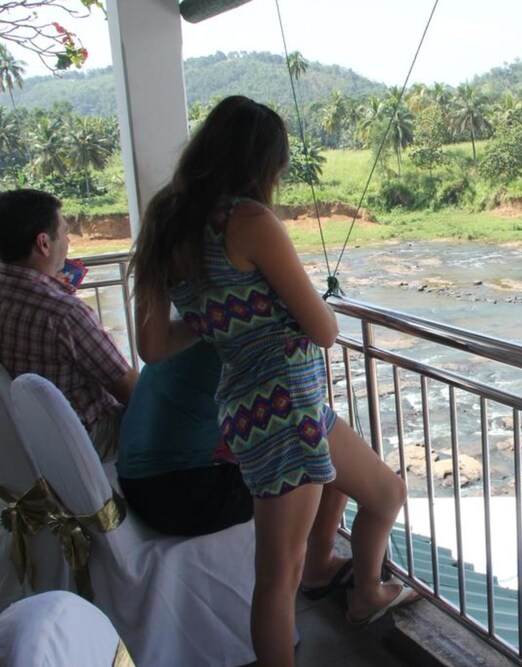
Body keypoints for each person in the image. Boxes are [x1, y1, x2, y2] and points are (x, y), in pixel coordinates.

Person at [129, 96, 414, 666]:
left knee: (386, 492)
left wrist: (220, 321)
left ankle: (365, 594)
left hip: (262, 404)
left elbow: (153, 345)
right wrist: (275, 313)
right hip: (285, 409)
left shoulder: (166, 219)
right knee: (278, 578)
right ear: (262, 162)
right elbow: (324, 329)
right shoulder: (250, 221)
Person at [0, 189, 137, 460]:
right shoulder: (65, 314)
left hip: (31, 437)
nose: (68, 241)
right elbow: (131, 391)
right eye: (64, 232)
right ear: (44, 243)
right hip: (87, 438)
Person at [116, 340, 253, 536]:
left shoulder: (185, 326)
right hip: (178, 496)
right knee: (293, 475)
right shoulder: (247, 337)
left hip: (134, 482)